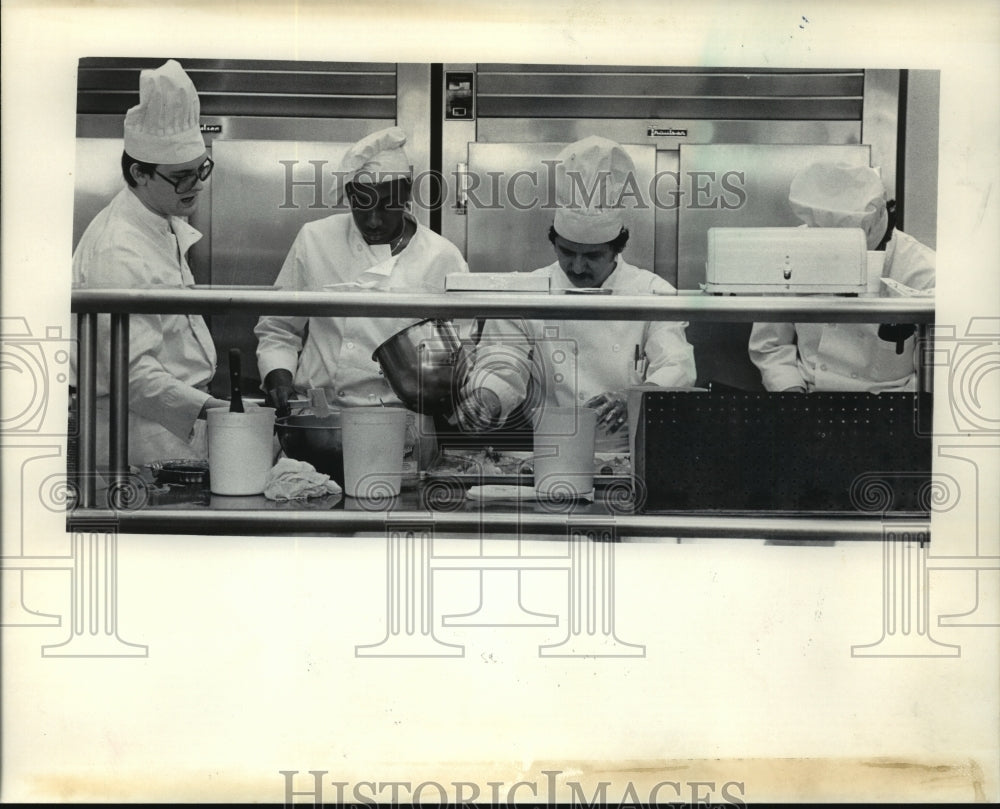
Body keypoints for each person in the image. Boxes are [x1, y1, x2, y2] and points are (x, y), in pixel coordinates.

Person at [458, 136, 697, 451]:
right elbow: (503, 366)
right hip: (551, 450)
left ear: (617, 247)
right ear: (554, 241)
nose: (578, 266)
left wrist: (634, 397)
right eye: (567, 252)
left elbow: (676, 367)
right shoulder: (527, 293)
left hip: (633, 453)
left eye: (593, 256)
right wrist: (487, 398)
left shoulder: (651, 292)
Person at [72, 60, 225, 467]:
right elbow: (131, 374)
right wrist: (215, 411)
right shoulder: (117, 249)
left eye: (200, 171)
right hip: (139, 437)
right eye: (182, 177)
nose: (197, 187)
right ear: (139, 173)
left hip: (171, 427)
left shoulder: (162, 222)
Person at [255, 126, 469, 416]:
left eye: (385, 206)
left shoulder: (441, 257)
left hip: (400, 422)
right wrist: (277, 374)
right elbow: (279, 326)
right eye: (361, 205)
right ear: (349, 196)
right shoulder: (315, 239)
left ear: (406, 193)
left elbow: (464, 349)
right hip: (318, 415)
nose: (373, 221)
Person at [748, 161, 936, 393]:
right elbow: (770, 344)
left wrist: (899, 409)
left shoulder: (923, 270)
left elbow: (933, 369)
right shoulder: (790, 254)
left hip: (892, 402)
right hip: (809, 394)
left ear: (879, 216)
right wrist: (789, 390)